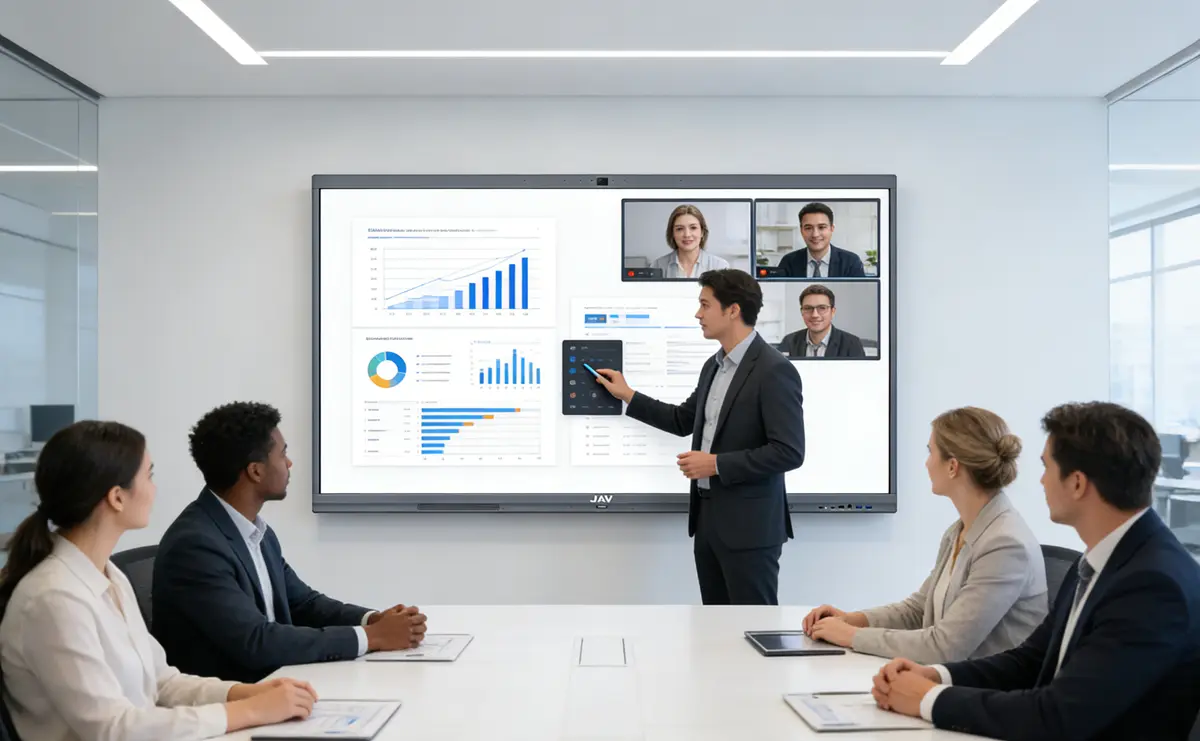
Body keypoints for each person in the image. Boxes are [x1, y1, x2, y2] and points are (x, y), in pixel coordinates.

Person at [871, 402, 1200, 741]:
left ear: (1076, 483)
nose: (1040, 480)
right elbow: (1030, 661)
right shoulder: (1100, 562)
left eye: (1046, 467)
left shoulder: (1153, 586)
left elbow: (1059, 716)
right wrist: (937, 675)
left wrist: (929, 700)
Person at [0, 421, 318, 741]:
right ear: (117, 498)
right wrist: (251, 711)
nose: (154, 489)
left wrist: (248, 693)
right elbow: (113, 729)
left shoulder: (109, 577)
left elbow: (162, 682)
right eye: (149, 475)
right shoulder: (53, 599)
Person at [152, 402, 426, 683]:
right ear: (255, 471)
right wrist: (371, 638)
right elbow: (256, 641)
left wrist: (372, 620)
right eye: (282, 454)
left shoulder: (256, 532)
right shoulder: (196, 546)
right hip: (234, 703)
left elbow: (303, 604)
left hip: (275, 686)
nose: (289, 463)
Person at [594, 269, 805, 605]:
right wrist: (627, 394)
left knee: (752, 629)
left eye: (705, 305)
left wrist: (716, 464)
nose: (698, 313)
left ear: (733, 310)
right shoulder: (714, 365)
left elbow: (789, 452)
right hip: (708, 524)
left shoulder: (774, 370)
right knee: (716, 632)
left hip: (750, 531)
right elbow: (682, 420)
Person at [802, 407, 1047, 664]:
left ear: (953, 466)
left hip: (987, 693)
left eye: (930, 452)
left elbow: (945, 646)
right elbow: (919, 610)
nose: (926, 462)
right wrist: (853, 619)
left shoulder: (1005, 545)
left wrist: (851, 636)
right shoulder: (960, 530)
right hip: (953, 680)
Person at [777, 202, 866, 278]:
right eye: (808, 228)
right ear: (801, 230)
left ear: (832, 228)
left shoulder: (851, 262)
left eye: (821, 227)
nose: (815, 234)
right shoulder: (788, 262)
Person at [778, 284, 867, 359]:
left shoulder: (851, 344)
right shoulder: (789, 341)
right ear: (802, 312)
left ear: (832, 312)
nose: (815, 315)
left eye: (822, 308)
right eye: (808, 308)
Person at [648, 204, 731, 279]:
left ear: (702, 232)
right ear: (672, 233)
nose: (687, 235)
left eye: (693, 228)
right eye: (679, 229)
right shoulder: (657, 266)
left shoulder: (720, 267)